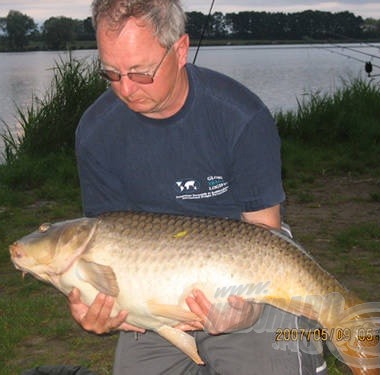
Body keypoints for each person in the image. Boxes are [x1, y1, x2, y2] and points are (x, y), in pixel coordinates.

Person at [70, 1, 327, 374]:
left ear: (179, 50)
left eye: (141, 72)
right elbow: (107, 244)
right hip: (156, 280)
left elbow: (266, 238)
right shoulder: (96, 132)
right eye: (111, 72)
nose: (124, 89)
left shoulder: (240, 116)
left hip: (246, 271)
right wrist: (93, 304)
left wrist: (247, 310)